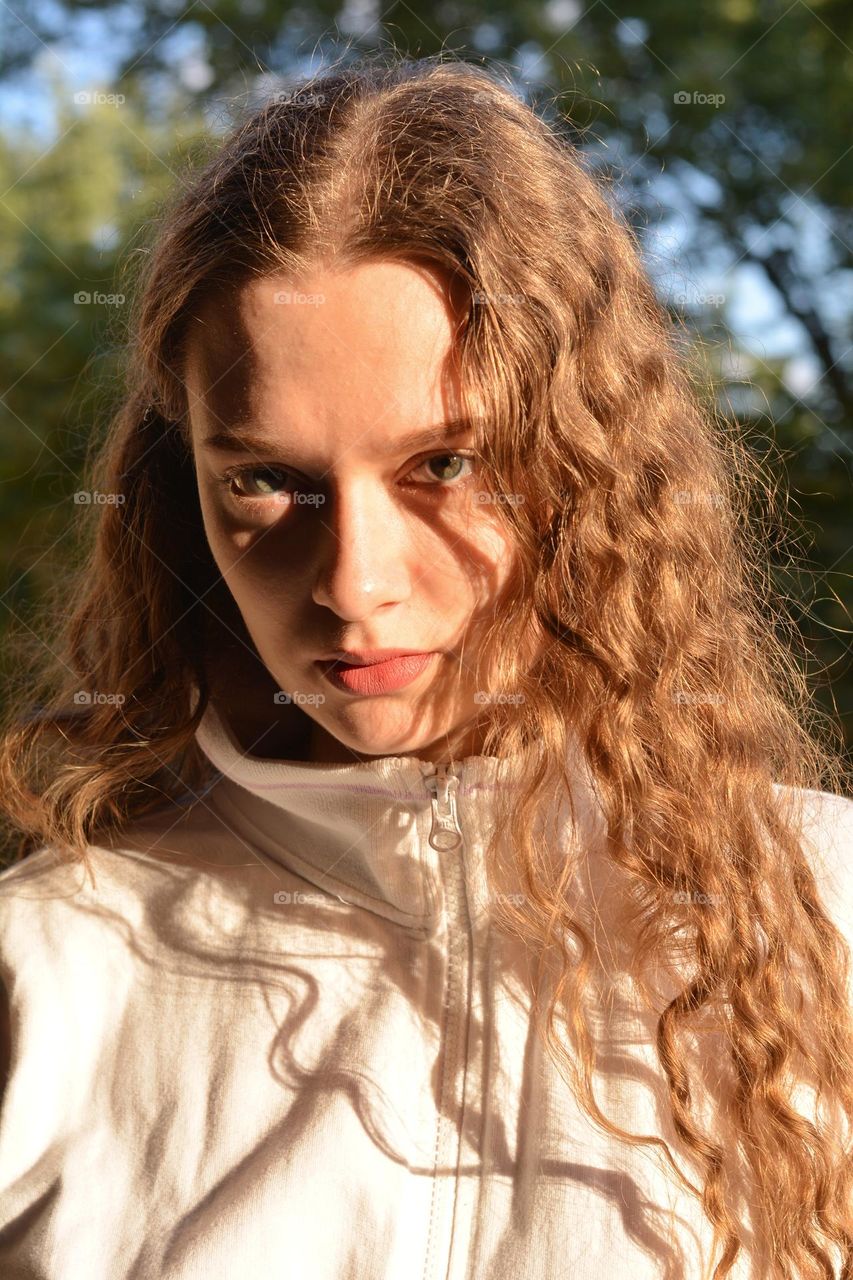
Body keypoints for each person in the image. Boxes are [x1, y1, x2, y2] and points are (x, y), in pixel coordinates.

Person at [0, 52, 851, 1280]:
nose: (354, 584)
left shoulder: (820, 914)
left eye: (445, 465)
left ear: (590, 464)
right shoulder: (49, 978)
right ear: (181, 491)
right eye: (267, 481)